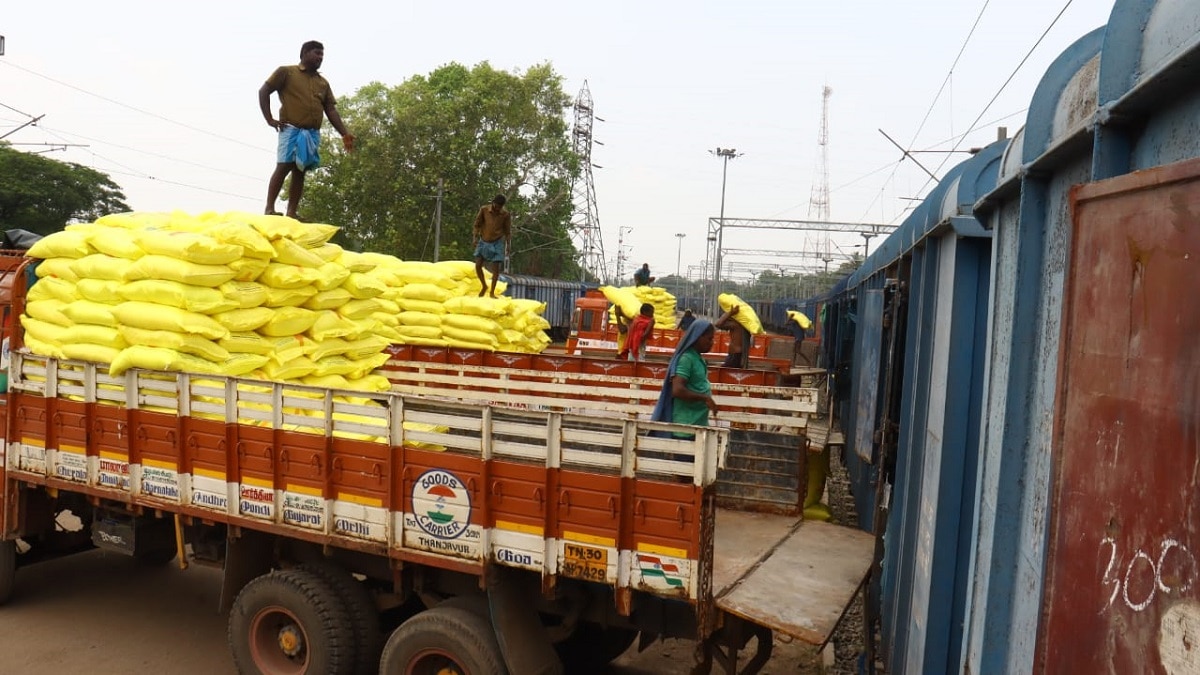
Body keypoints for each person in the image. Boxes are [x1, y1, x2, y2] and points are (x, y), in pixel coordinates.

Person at [259, 40, 355, 219]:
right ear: (304, 53)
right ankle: (269, 208)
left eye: (322, 55)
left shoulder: (322, 83)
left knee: (300, 170)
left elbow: (331, 110)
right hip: (291, 129)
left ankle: (292, 212)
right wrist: (269, 119)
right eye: (316, 53)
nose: (320, 57)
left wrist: (345, 133)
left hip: (311, 133)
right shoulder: (286, 72)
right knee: (284, 165)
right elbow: (264, 91)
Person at [649, 320, 719, 438]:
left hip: (698, 424)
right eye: (709, 339)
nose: (711, 343)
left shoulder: (697, 358)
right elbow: (678, 390)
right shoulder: (686, 359)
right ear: (698, 337)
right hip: (686, 427)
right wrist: (705, 398)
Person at [473, 195, 512, 298]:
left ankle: (492, 292)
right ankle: (484, 286)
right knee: (478, 265)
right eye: (496, 205)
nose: (497, 208)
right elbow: (477, 224)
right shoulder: (484, 210)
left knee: (496, 269)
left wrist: (508, 245)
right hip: (483, 241)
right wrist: (475, 238)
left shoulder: (505, 215)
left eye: (500, 207)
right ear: (493, 203)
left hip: (497, 242)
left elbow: (507, 232)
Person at [716, 305, 749, 369]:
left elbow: (718, 324)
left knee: (723, 372)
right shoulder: (743, 324)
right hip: (738, 355)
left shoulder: (735, 324)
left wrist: (730, 313)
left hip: (735, 355)